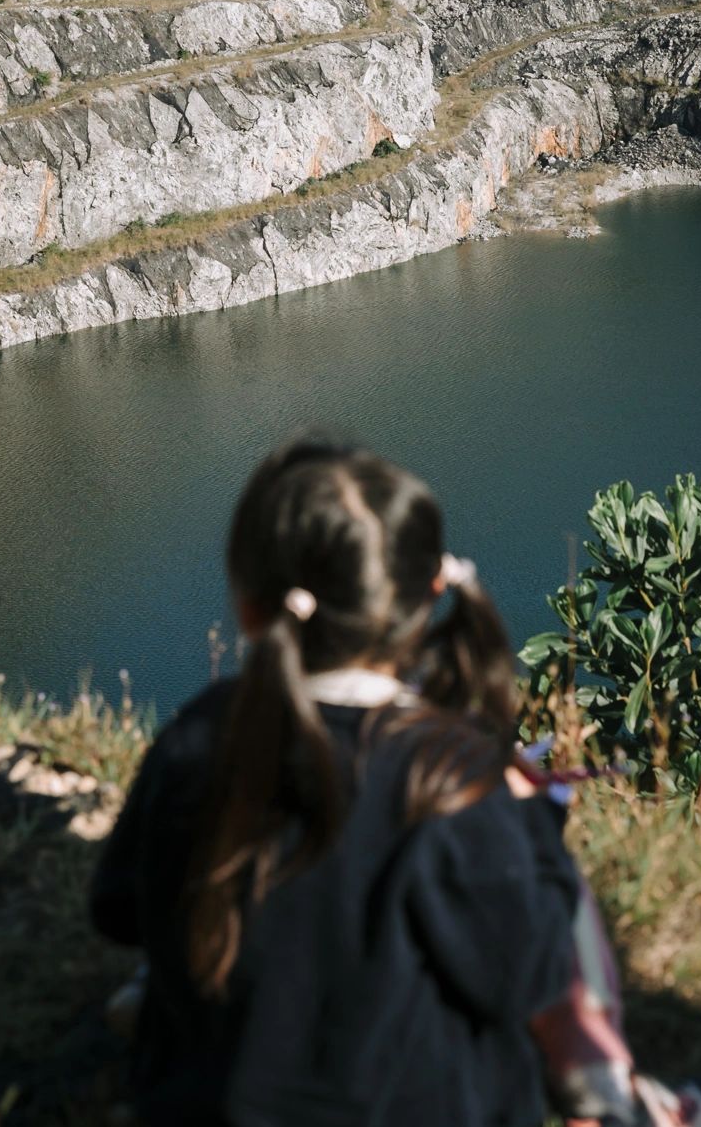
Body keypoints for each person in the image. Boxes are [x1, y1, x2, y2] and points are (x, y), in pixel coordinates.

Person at [90, 438, 581, 1127]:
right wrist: (539, 826)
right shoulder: (454, 776)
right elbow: (525, 977)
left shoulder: (199, 733)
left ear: (250, 604)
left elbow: (115, 909)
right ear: (430, 596)